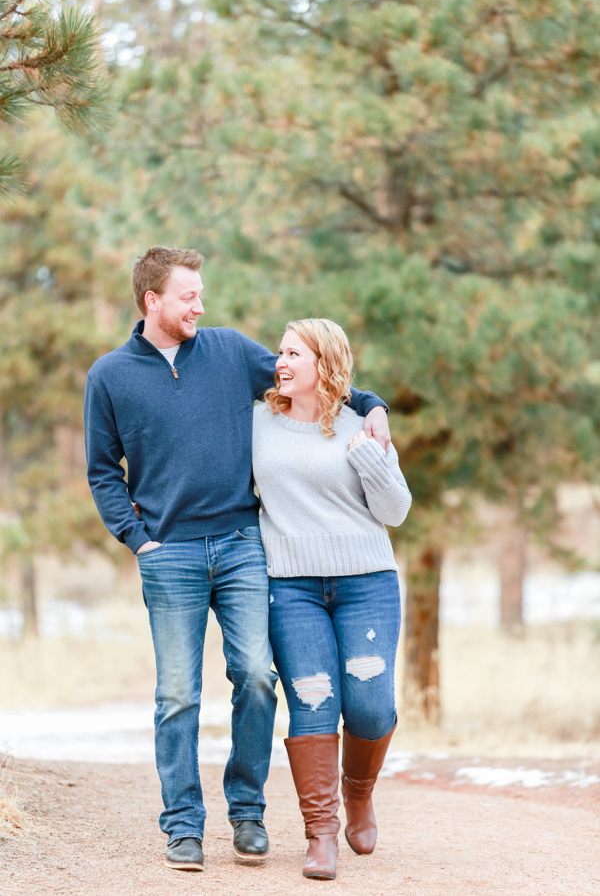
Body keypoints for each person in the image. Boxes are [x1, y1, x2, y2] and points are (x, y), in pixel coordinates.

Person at [83, 247, 391, 873]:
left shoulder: (227, 351)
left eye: (200, 293)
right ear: (152, 301)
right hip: (167, 553)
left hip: (243, 544)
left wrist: (374, 404)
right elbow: (101, 471)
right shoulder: (109, 375)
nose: (200, 305)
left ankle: (246, 813)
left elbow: (313, 376)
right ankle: (183, 826)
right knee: (176, 694)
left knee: (255, 676)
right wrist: (136, 537)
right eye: (188, 296)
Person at [252, 318, 411, 881]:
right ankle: (321, 834)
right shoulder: (257, 422)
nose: (281, 362)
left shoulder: (360, 425)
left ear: (326, 364)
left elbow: (394, 512)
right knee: (313, 700)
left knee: (369, 701)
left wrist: (368, 452)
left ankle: (360, 793)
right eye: (280, 352)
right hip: (291, 587)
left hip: (365, 581)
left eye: (295, 353)